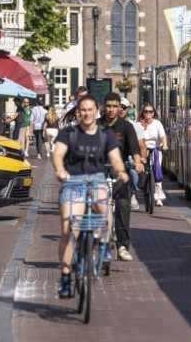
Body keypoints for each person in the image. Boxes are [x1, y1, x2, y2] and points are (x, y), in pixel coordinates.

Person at [53, 95, 129, 298]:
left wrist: (121, 171)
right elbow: (58, 154)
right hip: (73, 181)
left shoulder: (106, 134)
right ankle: (66, 276)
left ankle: (104, 245)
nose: (86, 113)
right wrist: (60, 169)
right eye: (82, 110)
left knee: (106, 208)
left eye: (90, 110)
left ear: (97, 111)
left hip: (96, 179)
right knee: (69, 230)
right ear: (78, 112)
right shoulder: (68, 133)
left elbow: (115, 158)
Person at [99, 93, 143, 261]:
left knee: (123, 205)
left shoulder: (126, 127)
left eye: (115, 106)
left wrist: (137, 162)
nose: (111, 109)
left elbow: (134, 148)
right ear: (104, 107)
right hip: (98, 170)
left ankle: (122, 245)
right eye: (108, 106)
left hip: (119, 172)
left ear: (119, 108)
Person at [119, 97, 147, 210]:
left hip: (129, 156)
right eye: (118, 106)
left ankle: (133, 194)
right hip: (111, 156)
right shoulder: (106, 124)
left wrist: (142, 160)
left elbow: (142, 146)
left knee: (133, 169)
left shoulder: (135, 126)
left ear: (128, 110)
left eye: (123, 107)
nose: (120, 109)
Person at [138, 103, 168, 206]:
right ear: (143, 112)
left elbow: (163, 135)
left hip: (155, 150)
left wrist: (164, 145)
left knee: (157, 172)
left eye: (150, 111)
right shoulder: (138, 124)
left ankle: (158, 197)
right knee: (143, 171)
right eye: (146, 111)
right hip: (143, 151)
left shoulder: (157, 123)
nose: (148, 113)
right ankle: (144, 187)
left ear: (153, 113)